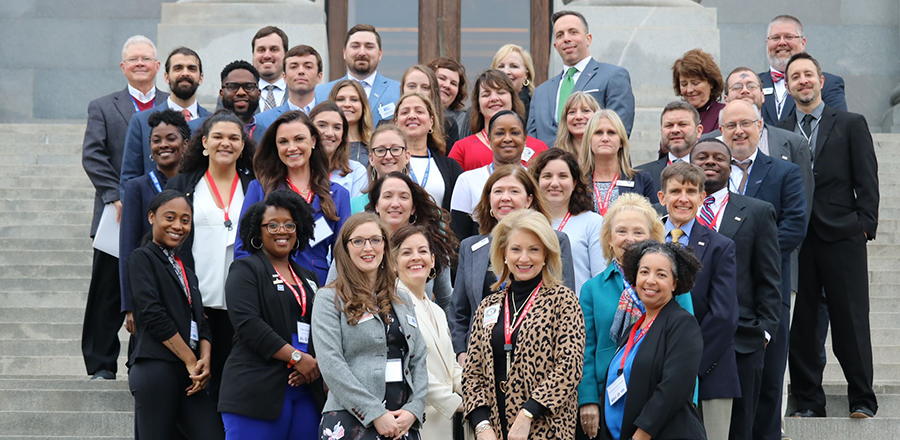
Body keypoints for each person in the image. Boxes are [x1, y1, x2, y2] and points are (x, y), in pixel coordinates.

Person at [712, 68, 810, 440]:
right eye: (730, 125)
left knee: (769, 383)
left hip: (768, 291)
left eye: (746, 124)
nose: (739, 131)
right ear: (720, 131)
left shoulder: (783, 173)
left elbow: (795, 225)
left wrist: (750, 258)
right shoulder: (710, 174)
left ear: (759, 126)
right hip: (720, 294)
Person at [779, 53, 879, 419]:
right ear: (787, 86)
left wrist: (864, 223)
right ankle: (808, 402)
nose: (802, 81)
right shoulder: (780, 129)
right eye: (795, 77)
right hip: (797, 241)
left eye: (808, 75)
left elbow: (867, 177)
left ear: (821, 81)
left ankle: (863, 400)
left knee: (850, 320)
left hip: (842, 236)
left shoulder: (851, 123)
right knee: (803, 326)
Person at [81, 35, 169, 381]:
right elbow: (93, 155)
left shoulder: (172, 104)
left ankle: (140, 361)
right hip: (115, 214)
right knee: (107, 292)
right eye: (133, 59)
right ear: (123, 67)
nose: (140, 64)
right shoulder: (103, 106)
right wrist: (116, 196)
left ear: (157, 66)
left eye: (146, 58)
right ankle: (101, 364)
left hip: (164, 215)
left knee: (152, 289)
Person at [576, 193, 695, 440]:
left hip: (660, 396)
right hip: (606, 398)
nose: (629, 239)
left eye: (638, 232)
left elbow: (686, 354)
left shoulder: (672, 284)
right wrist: (587, 399)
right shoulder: (592, 289)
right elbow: (585, 349)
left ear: (652, 237)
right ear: (608, 239)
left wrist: (686, 400)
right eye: (621, 231)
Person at [688, 139, 782, 440]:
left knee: (740, 428)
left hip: (742, 339)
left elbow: (769, 276)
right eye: (702, 157)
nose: (710, 162)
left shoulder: (757, 211)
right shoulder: (674, 214)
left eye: (719, 157)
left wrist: (764, 332)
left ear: (732, 168)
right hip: (683, 335)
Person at [462, 209, 585, 440]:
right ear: (504, 254)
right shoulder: (489, 305)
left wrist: (527, 414)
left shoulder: (563, 300)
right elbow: (472, 372)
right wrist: (482, 425)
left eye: (534, 250)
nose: (524, 258)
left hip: (546, 428)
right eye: (516, 249)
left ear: (547, 254)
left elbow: (570, 367)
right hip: (494, 430)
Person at [164, 110, 257, 403]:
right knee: (195, 388)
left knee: (231, 386)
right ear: (204, 142)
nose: (225, 143)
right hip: (195, 303)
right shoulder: (182, 186)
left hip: (240, 305)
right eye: (217, 137)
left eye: (233, 138)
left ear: (243, 145)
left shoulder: (255, 186)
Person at [218, 190, 325, 439]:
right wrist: (297, 357)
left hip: (304, 388)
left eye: (289, 224)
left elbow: (320, 326)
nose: (282, 230)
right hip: (257, 388)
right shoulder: (245, 269)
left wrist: (314, 363)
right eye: (272, 225)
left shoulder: (309, 277)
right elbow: (248, 325)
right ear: (258, 231)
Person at [312, 213, 428, 440]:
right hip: (350, 421)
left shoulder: (402, 299)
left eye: (376, 240)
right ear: (345, 249)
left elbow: (419, 357)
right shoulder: (329, 299)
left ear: (385, 246)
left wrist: (414, 409)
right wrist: (373, 412)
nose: (368, 248)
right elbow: (331, 364)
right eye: (358, 241)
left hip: (402, 421)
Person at [449, 165, 577, 362]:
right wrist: (462, 354)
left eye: (514, 191)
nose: (505, 197)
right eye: (498, 191)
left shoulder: (554, 241)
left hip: (537, 360)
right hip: (482, 362)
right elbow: (459, 311)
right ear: (489, 200)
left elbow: (565, 308)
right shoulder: (471, 247)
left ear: (529, 200)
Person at [127, 190, 224, 440]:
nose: (178, 226)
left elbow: (201, 323)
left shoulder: (187, 270)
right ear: (151, 217)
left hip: (190, 374)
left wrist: (204, 361)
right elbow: (153, 315)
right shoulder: (142, 258)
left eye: (185, 219)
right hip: (156, 367)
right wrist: (191, 360)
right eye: (169, 217)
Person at [657, 162, 739, 439]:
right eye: (676, 190)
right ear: (662, 197)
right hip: (654, 370)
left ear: (702, 198)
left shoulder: (720, 246)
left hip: (709, 371)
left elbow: (724, 316)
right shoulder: (646, 241)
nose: (683, 198)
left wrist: (688, 365)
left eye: (691, 191)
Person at [599, 240, 706, 440]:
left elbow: (672, 390)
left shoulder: (682, 324)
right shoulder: (634, 328)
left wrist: (640, 436)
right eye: (644, 272)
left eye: (661, 274)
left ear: (675, 283)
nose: (650, 280)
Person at [235, 110, 351, 285]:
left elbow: (343, 255)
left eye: (299, 139)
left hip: (318, 287)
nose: (291, 148)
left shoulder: (338, 195)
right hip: (270, 285)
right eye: (283, 142)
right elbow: (243, 247)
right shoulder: (259, 189)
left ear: (313, 141)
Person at [327, 172, 458, 311]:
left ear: (413, 207)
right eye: (388, 196)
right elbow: (330, 294)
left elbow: (447, 301)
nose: (395, 204)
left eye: (403, 197)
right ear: (377, 205)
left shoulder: (430, 244)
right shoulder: (355, 245)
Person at [701, 66, 813, 214]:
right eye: (737, 87)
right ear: (726, 99)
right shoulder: (704, 145)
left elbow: (801, 207)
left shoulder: (794, 144)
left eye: (751, 86)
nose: (745, 91)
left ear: (762, 95)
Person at [120, 109, 189, 343]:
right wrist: (130, 305)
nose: (163, 145)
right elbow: (127, 247)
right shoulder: (137, 186)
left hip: (189, 282)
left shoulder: (195, 184)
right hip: (149, 288)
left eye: (171, 138)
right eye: (156, 140)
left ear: (186, 144)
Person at [392, 224, 465, 440]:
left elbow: (451, 364)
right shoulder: (391, 304)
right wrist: (458, 403)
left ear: (433, 260)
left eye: (422, 251)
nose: (416, 257)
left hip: (445, 422)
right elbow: (412, 366)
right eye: (406, 252)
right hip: (414, 421)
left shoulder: (437, 310)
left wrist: (477, 390)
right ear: (393, 263)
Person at [529, 10, 635, 146]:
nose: (566, 38)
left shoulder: (614, 76)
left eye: (573, 32)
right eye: (560, 35)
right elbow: (531, 145)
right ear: (556, 46)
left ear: (588, 39)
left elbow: (619, 131)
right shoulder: (540, 92)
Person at [120, 47, 210, 194]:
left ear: (201, 78)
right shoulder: (141, 122)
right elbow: (129, 177)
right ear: (166, 77)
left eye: (192, 68)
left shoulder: (212, 123)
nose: (185, 73)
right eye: (178, 68)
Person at [529, 149, 605, 296]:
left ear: (574, 182)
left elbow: (600, 281)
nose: (554, 183)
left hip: (577, 313)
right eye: (547, 176)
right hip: (534, 314)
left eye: (563, 176)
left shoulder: (592, 222)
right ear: (537, 182)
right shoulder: (527, 224)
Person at [450, 110, 534, 240]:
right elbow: (458, 237)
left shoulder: (535, 179)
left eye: (515, 133)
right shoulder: (467, 180)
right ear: (489, 140)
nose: (507, 139)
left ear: (525, 139)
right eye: (500, 133)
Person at [449, 70, 548, 172]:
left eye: (501, 92)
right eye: (486, 95)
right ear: (478, 105)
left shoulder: (539, 147)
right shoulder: (462, 148)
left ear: (513, 100)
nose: (494, 98)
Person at [760, 15, 847, 126]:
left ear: (803, 43)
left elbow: (839, 129)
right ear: (767, 43)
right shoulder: (751, 85)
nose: (782, 42)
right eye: (775, 38)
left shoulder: (829, 84)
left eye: (789, 37)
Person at [315, 24, 401, 126]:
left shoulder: (399, 91)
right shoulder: (320, 94)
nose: (362, 52)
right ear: (344, 52)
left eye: (369, 47)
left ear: (380, 54)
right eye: (355, 46)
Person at [394, 92, 463, 213]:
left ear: (431, 122)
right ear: (396, 123)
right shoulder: (386, 162)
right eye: (405, 112)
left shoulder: (451, 167)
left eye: (419, 111)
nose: (412, 116)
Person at [579, 110, 656, 213]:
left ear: (621, 142)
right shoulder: (577, 182)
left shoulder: (641, 180)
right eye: (598, 132)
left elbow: (654, 221)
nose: (605, 138)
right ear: (589, 140)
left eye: (611, 132)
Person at [635, 101, 703, 203]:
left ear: (699, 131)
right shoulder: (640, 175)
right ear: (661, 130)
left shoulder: (713, 172)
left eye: (682, 124)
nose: (675, 130)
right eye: (669, 125)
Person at [255, 45, 324, 137]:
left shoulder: (330, 117)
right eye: (294, 67)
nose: (301, 71)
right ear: (284, 77)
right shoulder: (263, 120)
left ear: (319, 77)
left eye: (308, 66)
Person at [309, 101, 368, 198]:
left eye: (337, 127)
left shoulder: (356, 171)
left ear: (343, 135)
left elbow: (358, 213)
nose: (329, 133)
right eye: (322, 125)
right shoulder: (299, 170)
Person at [350, 124, 412, 214]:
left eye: (395, 149)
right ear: (371, 159)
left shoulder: (422, 203)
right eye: (380, 150)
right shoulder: (354, 206)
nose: (388, 156)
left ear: (407, 156)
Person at [400, 64, 460, 149]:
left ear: (433, 92)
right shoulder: (386, 125)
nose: (417, 92)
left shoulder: (448, 126)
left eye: (425, 87)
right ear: (402, 88)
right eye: (412, 86)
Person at [672, 49, 726, 135]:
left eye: (695, 83)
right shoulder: (676, 116)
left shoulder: (724, 114)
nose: (689, 90)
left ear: (711, 82)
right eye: (684, 84)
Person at [329, 79, 374, 164]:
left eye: (354, 99)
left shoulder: (374, 145)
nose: (347, 104)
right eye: (340, 99)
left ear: (363, 106)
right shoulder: (323, 143)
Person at [492, 44, 536, 126]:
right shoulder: (482, 107)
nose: (506, 72)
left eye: (514, 66)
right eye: (501, 66)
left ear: (527, 74)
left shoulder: (536, 109)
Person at [428, 57, 469, 138]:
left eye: (453, 83)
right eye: (442, 78)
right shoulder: (409, 112)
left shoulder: (464, 120)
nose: (447, 85)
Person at [552, 91, 600, 160]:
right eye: (572, 112)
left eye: (586, 111)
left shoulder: (607, 154)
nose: (578, 117)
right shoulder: (556, 157)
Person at [253, 26, 290, 112]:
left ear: (286, 55)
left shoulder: (302, 92)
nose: (267, 56)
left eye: (274, 49)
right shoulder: (233, 95)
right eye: (261, 50)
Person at [219, 60, 261, 134]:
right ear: (221, 94)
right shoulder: (205, 131)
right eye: (232, 87)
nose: (241, 93)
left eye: (248, 87)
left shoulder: (270, 135)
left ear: (259, 94)